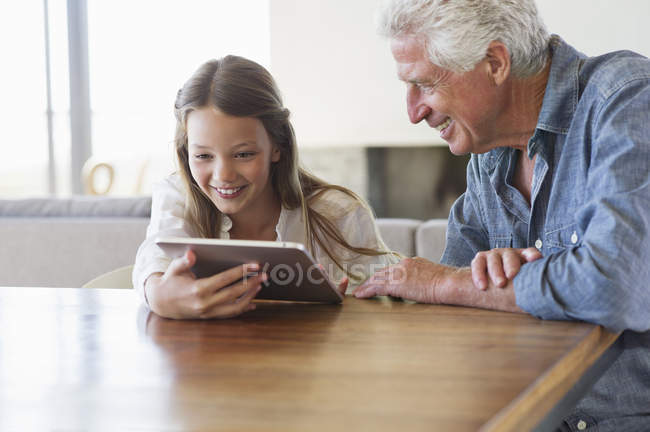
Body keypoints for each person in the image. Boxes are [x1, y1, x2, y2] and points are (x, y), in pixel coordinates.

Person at [354, 0, 650, 430]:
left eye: (425, 84)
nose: (414, 111)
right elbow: (454, 305)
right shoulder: (488, 154)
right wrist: (470, 288)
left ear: (495, 62)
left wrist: (449, 283)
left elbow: (614, 287)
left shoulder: (627, 99)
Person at [133, 55, 398, 320]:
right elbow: (153, 260)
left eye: (243, 154)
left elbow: (381, 308)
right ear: (185, 152)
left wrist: (345, 311)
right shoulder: (178, 195)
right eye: (203, 156)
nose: (223, 175)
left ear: (277, 147)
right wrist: (157, 293)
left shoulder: (338, 213)